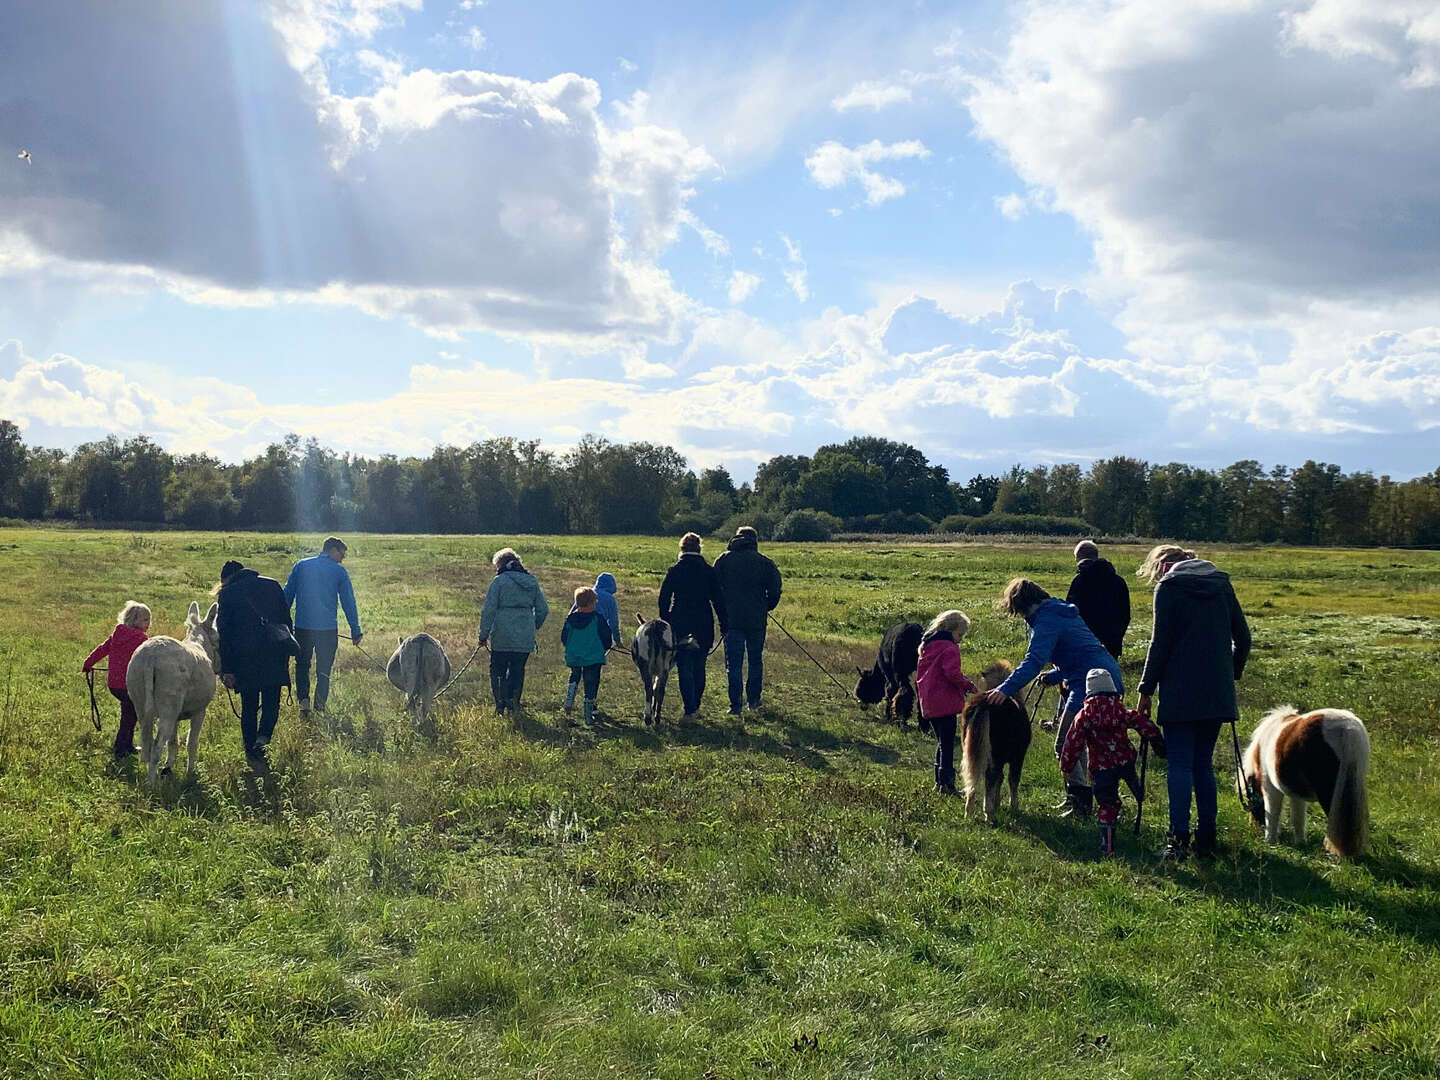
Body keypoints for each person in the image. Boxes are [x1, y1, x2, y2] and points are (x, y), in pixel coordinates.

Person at [1136, 545, 1252, 861]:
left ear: (1163, 565)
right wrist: (1230, 674)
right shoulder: (1222, 585)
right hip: (1217, 692)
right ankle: (1207, 839)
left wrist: (1145, 690)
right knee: (1203, 765)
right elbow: (1244, 638)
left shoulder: (1169, 588)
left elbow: (1159, 644)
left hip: (1179, 692)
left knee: (1180, 764)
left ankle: (1178, 839)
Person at [984, 577, 1122, 819]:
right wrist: (1056, 675)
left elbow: (1033, 661)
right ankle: (1084, 797)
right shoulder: (1060, 611)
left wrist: (1004, 689)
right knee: (1080, 743)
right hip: (1102, 676)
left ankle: (1081, 803)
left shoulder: (1046, 620)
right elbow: (1080, 651)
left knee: (1065, 743)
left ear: (1022, 605)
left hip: (1090, 685)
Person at [1059, 668, 1166, 856]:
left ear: (1088, 690)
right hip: (1125, 759)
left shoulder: (1084, 716)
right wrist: (1159, 745)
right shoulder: (1120, 711)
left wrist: (1066, 767)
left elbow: (1072, 742)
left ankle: (1107, 845)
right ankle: (1136, 788)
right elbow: (1144, 725)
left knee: (1107, 804)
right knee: (1129, 774)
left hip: (1101, 768)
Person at [216, 560, 294, 759]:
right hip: (274, 654)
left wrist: (226, 668)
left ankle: (250, 749)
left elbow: (224, 634)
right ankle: (263, 739)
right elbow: (287, 622)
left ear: (226, 579)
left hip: (244, 658)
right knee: (271, 702)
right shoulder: (273, 585)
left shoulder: (227, 593)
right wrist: (284, 655)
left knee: (249, 705)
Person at [283, 536, 362, 719]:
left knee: (302, 664)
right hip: (327, 629)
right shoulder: (339, 572)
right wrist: (355, 630)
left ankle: (303, 701)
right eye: (342, 553)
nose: (343, 558)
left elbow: (287, 595)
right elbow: (348, 602)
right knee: (324, 668)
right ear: (333, 550)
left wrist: (282, 622)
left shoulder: (301, 566)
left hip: (302, 626)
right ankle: (320, 704)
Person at [713, 526, 782, 716]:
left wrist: (722, 610)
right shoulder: (765, 563)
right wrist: (765, 607)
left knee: (733, 664)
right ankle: (754, 702)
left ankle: (735, 706)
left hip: (731, 620)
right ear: (755, 541)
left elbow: (714, 588)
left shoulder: (724, 559)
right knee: (755, 661)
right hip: (756, 621)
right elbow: (775, 590)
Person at [658, 532, 728, 721]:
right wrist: (724, 625)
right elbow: (719, 600)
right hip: (703, 622)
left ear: (682, 549)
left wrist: (667, 620)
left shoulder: (675, 570)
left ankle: (690, 710)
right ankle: (695, 704)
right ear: (699, 548)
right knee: (699, 666)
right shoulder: (708, 571)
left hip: (680, 623)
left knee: (684, 667)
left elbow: (663, 599)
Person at [478, 547, 549, 714]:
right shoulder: (532, 581)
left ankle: (500, 704)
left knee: (497, 670)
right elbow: (543, 610)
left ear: (501, 565)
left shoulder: (499, 582)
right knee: (518, 669)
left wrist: (483, 635)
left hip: (502, 634)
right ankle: (513, 702)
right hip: (524, 635)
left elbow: (488, 610)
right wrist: (533, 626)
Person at [916, 610, 979, 795]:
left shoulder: (927, 645)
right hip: (945, 702)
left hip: (929, 702)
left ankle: (939, 781)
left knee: (942, 742)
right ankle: (947, 785)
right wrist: (968, 685)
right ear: (950, 630)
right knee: (948, 743)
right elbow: (952, 674)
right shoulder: (950, 648)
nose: (960, 639)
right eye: (960, 635)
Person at [82, 601, 151, 758]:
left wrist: (88, 663)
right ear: (134, 620)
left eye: (149, 619)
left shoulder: (116, 635)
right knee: (129, 716)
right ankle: (120, 749)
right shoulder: (142, 640)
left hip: (114, 685)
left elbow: (102, 649)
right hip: (129, 685)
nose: (148, 623)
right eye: (145, 620)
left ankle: (127, 745)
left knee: (129, 713)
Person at [1065, 540, 1131, 659]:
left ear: (1079, 557)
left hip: (1084, 642)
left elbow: (1071, 612)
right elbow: (1125, 615)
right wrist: (1117, 636)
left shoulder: (1080, 581)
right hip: (1112, 643)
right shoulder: (1118, 581)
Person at [562, 586, 613, 724]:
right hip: (593, 657)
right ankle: (588, 714)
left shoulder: (571, 619)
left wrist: (571, 647)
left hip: (574, 655)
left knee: (574, 675)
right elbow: (606, 637)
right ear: (591, 603)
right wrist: (606, 647)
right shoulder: (597, 619)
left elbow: (564, 637)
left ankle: (569, 699)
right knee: (591, 683)